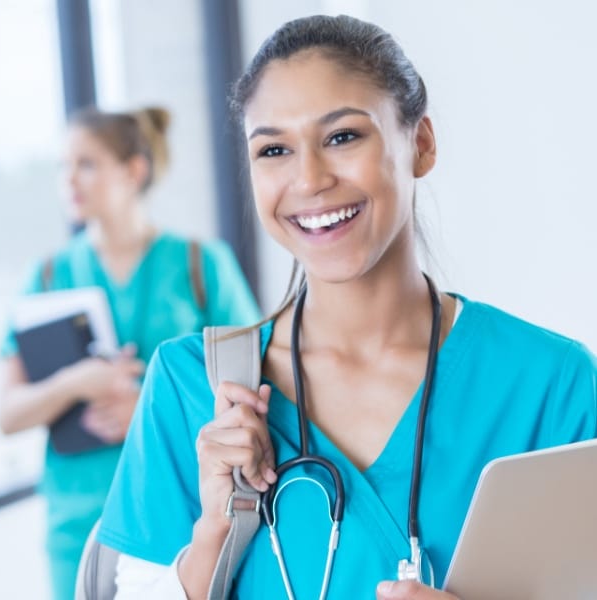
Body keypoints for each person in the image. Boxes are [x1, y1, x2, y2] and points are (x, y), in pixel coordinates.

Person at [96, 15, 597, 600]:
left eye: (342, 137)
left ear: (422, 145)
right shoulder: (190, 388)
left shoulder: (551, 386)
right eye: (274, 150)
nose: (308, 180)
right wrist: (216, 529)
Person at [0, 106, 261, 600]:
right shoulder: (47, 276)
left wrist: (143, 403)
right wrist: (76, 383)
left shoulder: (202, 266)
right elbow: (6, 415)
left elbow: (259, 391)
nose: (68, 179)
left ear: (134, 171)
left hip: (185, 512)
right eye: (63, 166)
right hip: (77, 521)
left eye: (87, 163)